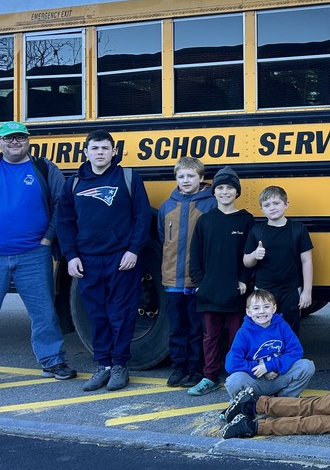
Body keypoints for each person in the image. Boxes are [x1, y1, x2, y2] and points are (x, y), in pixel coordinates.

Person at [0, 121, 76, 394]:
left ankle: (52, 361)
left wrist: (47, 239)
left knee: (44, 312)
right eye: (8, 139)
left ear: (28, 141)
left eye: (19, 138)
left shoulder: (45, 168)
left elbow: (61, 205)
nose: (14, 143)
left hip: (33, 254)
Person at [56, 130, 150, 393]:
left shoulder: (128, 178)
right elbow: (64, 222)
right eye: (95, 148)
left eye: (105, 148)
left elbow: (142, 217)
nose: (100, 152)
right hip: (87, 261)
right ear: (86, 152)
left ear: (113, 152)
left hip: (121, 259)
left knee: (121, 313)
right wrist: (71, 256)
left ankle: (120, 366)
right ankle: (103, 365)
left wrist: (133, 250)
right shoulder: (74, 183)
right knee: (96, 315)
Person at [187, 166, 255, 396]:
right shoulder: (205, 221)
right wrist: (199, 283)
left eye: (229, 188)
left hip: (236, 290)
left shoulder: (246, 220)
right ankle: (210, 377)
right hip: (209, 291)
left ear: (237, 192)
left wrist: (244, 280)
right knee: (210, 337)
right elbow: (194, 255)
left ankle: (236, 377)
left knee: (238, 336)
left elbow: (250, 255)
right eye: (220, 188)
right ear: (213, 192)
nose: (225, 192)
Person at [158, 156, 215, 388]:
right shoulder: (167, 206)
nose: (186, 180)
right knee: (176, 327)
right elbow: (163, 238)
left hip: (195, 280)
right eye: (181, 176)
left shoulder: (209, 205)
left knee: (196, 328)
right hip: (172, 278)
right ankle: (178, 367)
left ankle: (195, 369)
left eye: (191, 176)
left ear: (201, 178)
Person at [242, 186, 313, 335]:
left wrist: (307, 291)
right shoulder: (257, 231)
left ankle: (289, 358)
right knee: (263, 329)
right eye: (267, 205)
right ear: (262, 209)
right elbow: (246, 262)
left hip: (291, 289)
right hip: (263, 289)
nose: (272, 208)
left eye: (276, 203)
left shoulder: (298, 230)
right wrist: (255, 254)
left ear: (286, 204)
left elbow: (307, 261)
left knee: (289, 330)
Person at [223, 289, 315, 399]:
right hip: (255, 381)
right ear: (248, 312)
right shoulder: (243, 333)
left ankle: (284, 400)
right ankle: (248, 405)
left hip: (279, 376)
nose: (262, 311)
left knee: (306, 366)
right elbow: (231, 363)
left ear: (274, 308)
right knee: (234, 381)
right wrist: (259, 369)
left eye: (266, 307)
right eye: (256, 308)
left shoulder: (282, 326)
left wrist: (269, 366)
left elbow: (295, 351)